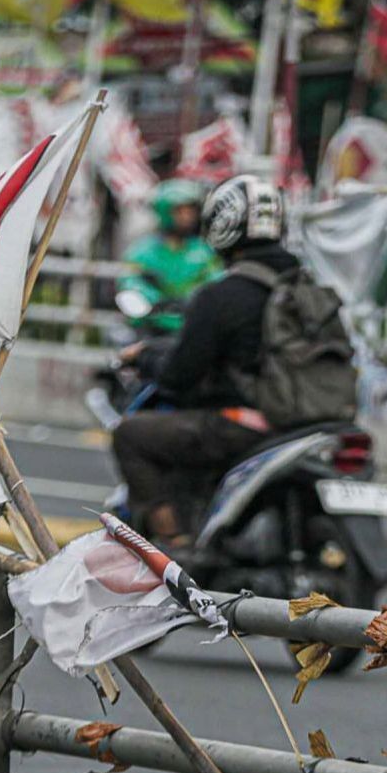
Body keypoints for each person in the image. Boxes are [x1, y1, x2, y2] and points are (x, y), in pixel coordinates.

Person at [112, 174, 296, 546]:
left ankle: (173, 543)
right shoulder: (307, 286)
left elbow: (181, 374)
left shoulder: (223, 293)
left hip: (247, 424)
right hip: (306, 422)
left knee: (130, 434)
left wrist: (148, 361)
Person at [118, 178, 220, 333]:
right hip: (149, 329)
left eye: (190, 211)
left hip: (190, 329)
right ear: (164, 211)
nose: (186, 217)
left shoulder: (204, 251)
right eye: (180, 211)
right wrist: (155, 300)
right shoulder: (142, 252)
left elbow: (216, 281)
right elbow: (129, 282)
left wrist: (190, 300)